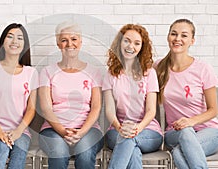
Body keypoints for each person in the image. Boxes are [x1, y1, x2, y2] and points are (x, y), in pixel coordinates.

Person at [38, 20, 104, 169]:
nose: (69, 44)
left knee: (85, 153)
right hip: (52, 130)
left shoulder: (94, 72)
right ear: (58, 44)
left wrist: (81, 133)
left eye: (74, 39)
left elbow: (96, 107)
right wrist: (63, 131)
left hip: (89, 130)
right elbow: (46, 109)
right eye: (64, 40)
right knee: (59, 153)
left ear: (80, 42)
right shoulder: (47, 71)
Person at [155, 18, 218, 169]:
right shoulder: (158, 68)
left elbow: (214, 109)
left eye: (184, 35)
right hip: (174, 132)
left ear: (192, 40)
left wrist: (191, 121)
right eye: (174, 34)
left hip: (208, 131)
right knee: (185, 133)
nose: (178, 39)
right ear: (168, 37)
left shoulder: (203, 69)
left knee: (178, 153)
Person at [0, 23, 38, 169]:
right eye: (10, 37)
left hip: (20, 131)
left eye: (19, 38)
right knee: (2, 146)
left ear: (25, 44)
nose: (14, 41)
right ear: (3, 41)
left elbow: (31, 109)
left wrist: (18, 131)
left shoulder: (31, 73)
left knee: (20, 150)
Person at [103, 24, 163, 169]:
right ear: (119, 43)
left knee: (130, 140)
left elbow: (151, 111)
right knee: (131, 148)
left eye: (137, 43)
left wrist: (137, 128)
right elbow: (110, 111)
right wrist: (120, 128)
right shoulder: (110, 74)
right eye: (127, 41)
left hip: (148, 131)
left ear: (142, 47)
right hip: (117, 130)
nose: (131, 46)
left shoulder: (149, 73)